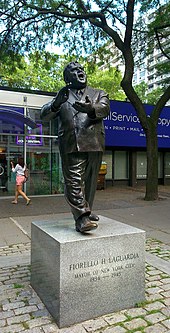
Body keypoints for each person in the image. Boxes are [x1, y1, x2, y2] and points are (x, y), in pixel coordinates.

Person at [41, 61, 110, 233]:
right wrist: (56, 103)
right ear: (67, 78)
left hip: (94, 142)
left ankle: (87, 209)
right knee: (74, 181)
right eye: (74, 70)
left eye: (81, 69)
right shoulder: (63, 95)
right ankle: (81, 217)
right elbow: (44, 115)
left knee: (91, 181)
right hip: (72, 144)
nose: (80, 71)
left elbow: (105, 108)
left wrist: (91, 108)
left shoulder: (98, 93)